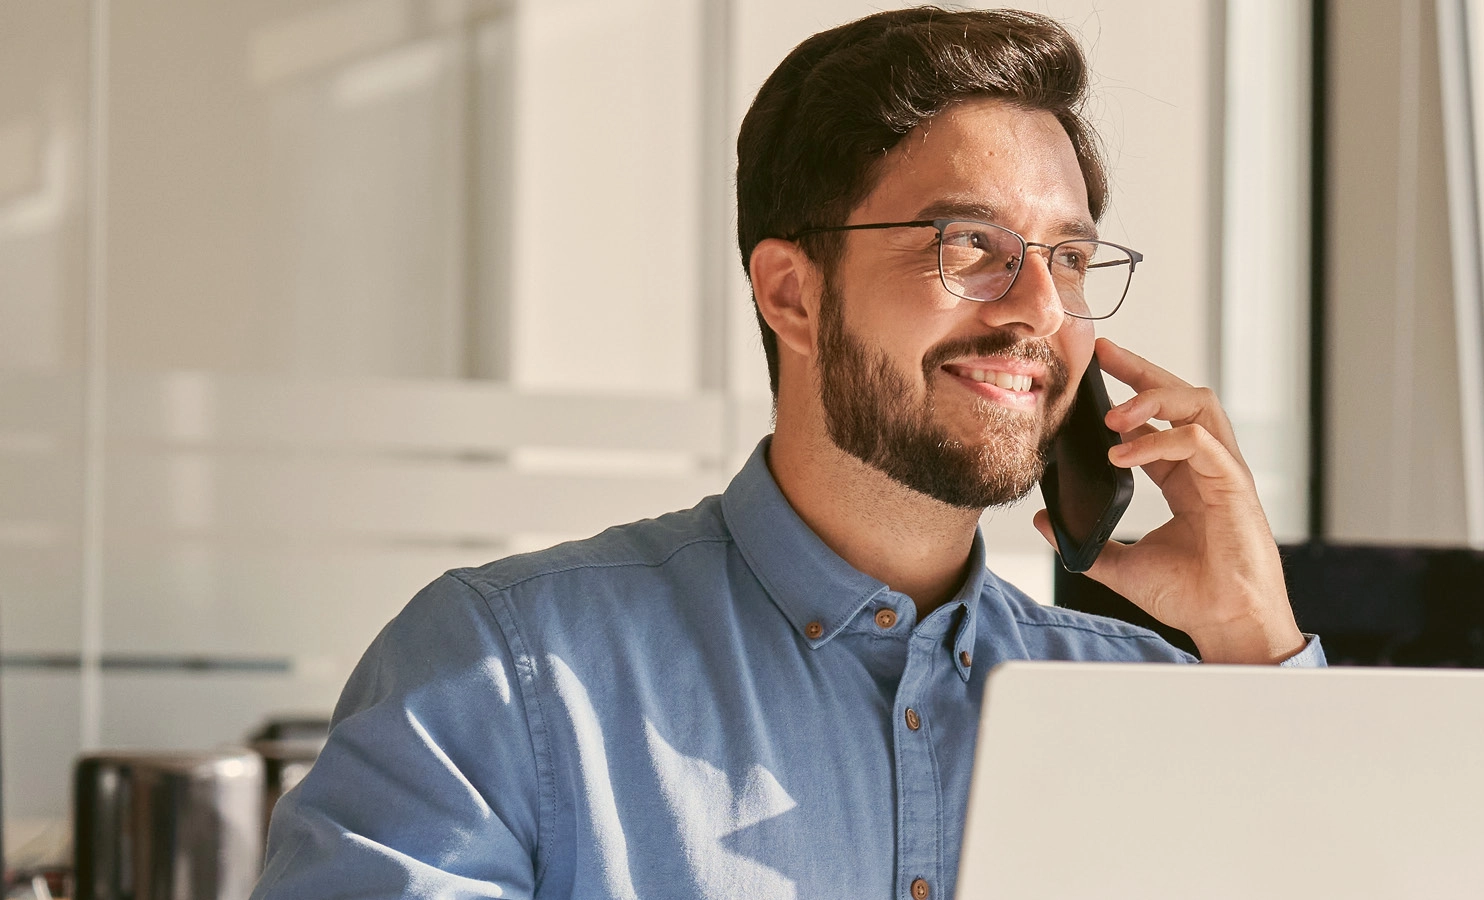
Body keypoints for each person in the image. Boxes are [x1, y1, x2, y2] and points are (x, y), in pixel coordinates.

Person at [251, 6, 1323, 898]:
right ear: (792, 295)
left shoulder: (1162, 707)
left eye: (1072, 258)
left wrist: (1252, 641)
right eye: (972, 247)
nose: (1043, 309)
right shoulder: (505, 676)